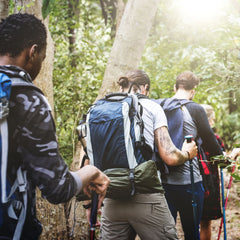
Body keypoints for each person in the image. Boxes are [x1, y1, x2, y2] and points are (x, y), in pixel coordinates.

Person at [0, 13, 109, 239]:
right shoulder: (27, 98)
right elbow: (57, 188)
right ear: (33, 52)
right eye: (42, 56)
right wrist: (90, 172)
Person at [92, 69, 198, 240]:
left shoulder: (102, 109)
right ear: (145, 88)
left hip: (111, 198)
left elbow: (89, 158)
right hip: (146, 196)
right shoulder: (151, 107)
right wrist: (187, 153)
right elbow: (169, 156)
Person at [160, 71, 223, 240]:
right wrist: (223, 159)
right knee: (191, 232)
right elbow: (210, 142)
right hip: (190, 182)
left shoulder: (160, 105)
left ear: (175, 87)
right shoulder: (195, 109)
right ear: (193, 90)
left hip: (163, 181)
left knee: (166, 232)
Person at [200, 104, 223, 240]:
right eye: (212, 119)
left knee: (191, 223)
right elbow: (223, 160)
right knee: (205, 224)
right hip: (209, 185)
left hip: (192, 182)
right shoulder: (214, 139)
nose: (213, 122)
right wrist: (234, 153)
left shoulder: (191, 138)